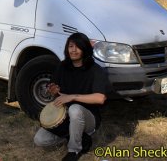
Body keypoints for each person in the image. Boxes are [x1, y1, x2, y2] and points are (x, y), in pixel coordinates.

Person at [34, 32, 111, 161]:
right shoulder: (62, 66)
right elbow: (52, 89)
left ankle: (74, 151)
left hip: (87, 117)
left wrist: (72, 97)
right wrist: (52, 90)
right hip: (64, 118)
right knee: (40, 140)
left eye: (77, 47)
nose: (73, 50)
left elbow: (100, 98)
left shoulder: (95, 70)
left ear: (85, 49)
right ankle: (76, 136)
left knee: (75, 108)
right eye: (70, 46)